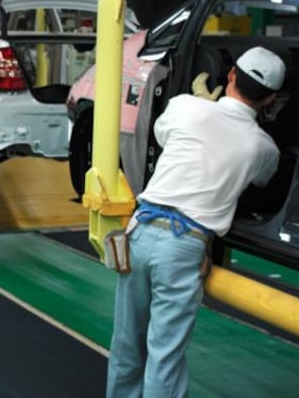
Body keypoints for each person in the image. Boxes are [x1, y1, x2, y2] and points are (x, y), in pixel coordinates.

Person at [106, 46, 286, 398]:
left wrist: (202, 105)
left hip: (139, 231)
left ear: (231, 75)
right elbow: (264, 180)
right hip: (183, 247)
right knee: (164, 357)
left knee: (127, 345)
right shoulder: (263, 148)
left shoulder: (185, 107)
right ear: (270, 99)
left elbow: (161, 136)